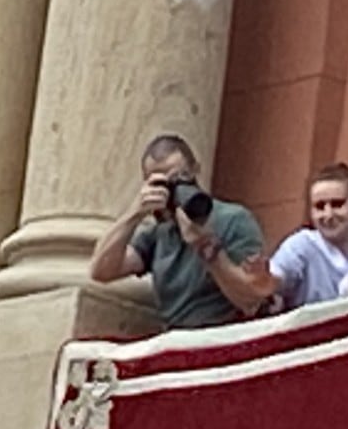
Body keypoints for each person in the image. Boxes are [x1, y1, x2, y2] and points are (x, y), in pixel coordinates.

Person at [90, 134, 273, 328]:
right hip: (176, 339)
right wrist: (134, 213)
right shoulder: (159, 234)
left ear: (196, 170)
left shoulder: (233, 219)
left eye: (181, 176)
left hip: (223, 334)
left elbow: (250, 300)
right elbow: (101, 271)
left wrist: (205, 246)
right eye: (163, 183)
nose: (174, 188)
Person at [268, 163, 348, 308]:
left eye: (337, 204)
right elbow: (272, 281)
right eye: (319, 206)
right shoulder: (301, 245)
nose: (328, 215)